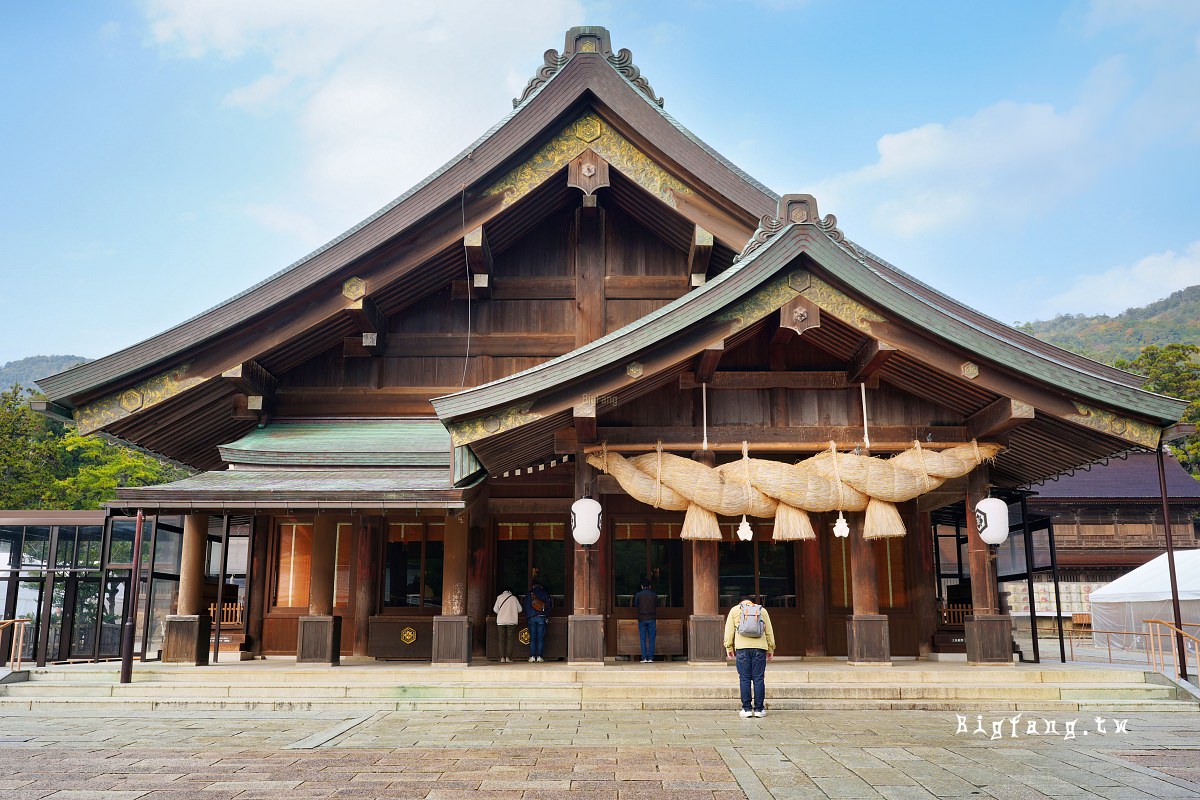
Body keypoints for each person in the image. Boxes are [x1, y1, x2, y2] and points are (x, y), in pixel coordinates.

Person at [723, 593, 775, 718]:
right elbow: (769, 631)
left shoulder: (735, 610)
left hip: (742, 648)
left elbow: (729, 631)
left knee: (744, 678)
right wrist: (771, 648)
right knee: (758, 678)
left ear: (740, 602)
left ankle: (746, 709)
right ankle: (759, 709)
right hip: (759, 648)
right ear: (752, 603)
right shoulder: (762, 610)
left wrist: (728, 647)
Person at [633, 579, 658, 662]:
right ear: (650, 586)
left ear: (642, 586)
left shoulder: (638, 595)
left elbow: (635, 604)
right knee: (652, 639)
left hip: (642, 618)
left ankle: (644, 657)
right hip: (652, 618)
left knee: (642, 638)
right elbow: (656, 605)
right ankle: (650, 658)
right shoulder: (654, 595)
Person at [525, 581, 551, 662]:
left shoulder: (529, 594)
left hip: (531, 617)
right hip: (541, 617)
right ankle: (539, 656)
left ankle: (532, 657)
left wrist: (528, 615)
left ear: (533, 586)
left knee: (532, 638)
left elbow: (525, 606)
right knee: (540, 638)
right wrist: (546, 614)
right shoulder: (545, 593)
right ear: (541, 587)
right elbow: (549, 606)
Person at [493, 587, 520, 663]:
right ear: (510, 592)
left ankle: (502, 658)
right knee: (510, 639)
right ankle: (508, 658)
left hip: (501, 621)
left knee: (501, 640)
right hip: (511, 621)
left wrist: (501, 613)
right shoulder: (514, 598)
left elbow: (495, 609)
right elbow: (520, 609)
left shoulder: (499, 597)